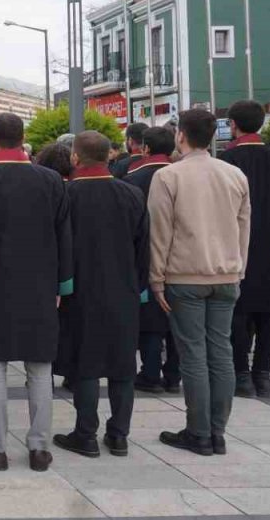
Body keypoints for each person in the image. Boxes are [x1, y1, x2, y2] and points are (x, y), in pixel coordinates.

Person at [0, 113, 71, 473]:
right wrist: (62, 284)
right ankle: (39, 448)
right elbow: (63, 237)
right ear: (22, 139)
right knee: (40, 366)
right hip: (40, 285)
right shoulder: (52, 180)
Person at [149, 109, 250, 457]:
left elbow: (160, 231)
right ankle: (217, 432)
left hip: (184, 275)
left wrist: (156, 277)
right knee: (221, 352)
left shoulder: (168, 176)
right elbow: (243, 228)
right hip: (227, 273)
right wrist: (238, 268)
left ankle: (198, 432)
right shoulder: (235, 175)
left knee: (193, 354)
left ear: (181, 136)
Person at [52, 132, 150, 459]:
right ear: (109, 156)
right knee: (123, 365)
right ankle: (119, 434)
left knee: (86, 363)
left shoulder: (66, 196)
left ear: (75, 159)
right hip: (123, 290)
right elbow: (143, 248)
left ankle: (86, 433)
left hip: (80, 291)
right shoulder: (132, 194)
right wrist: (139, 288)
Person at [219, 100, 270, 398]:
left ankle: (241, 375)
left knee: (239, 310)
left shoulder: (228, 159)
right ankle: (263, 375)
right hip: (268, 245)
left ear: (233, 124)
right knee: (265, 310)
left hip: (236, 243)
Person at [123, 127, 180, 394]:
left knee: (151, 319)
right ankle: (173, 374)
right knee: (177, 316)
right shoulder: (182, 175)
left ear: (144, 148)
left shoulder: (132, 178)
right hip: (179, 255)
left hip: (144, 254)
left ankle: (150, 372)